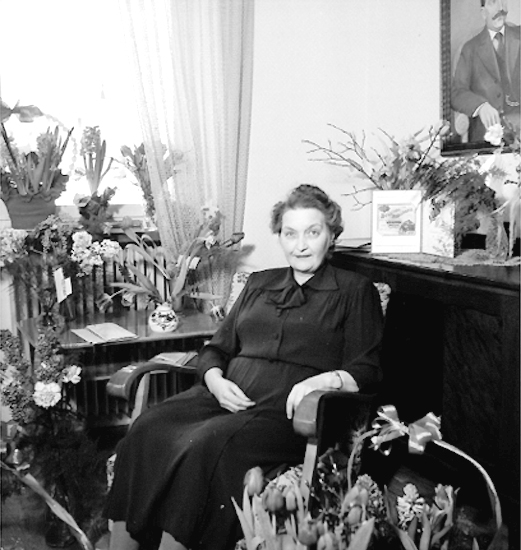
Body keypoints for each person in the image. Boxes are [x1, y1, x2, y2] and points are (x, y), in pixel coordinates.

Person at [105, 184, 384, 550]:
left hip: (284, 414)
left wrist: (322, 381)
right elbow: (217, 348)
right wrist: (215, 381)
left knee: (203, 445)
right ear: (279, 236)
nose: (300, 245)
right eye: (290, 233)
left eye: (312, 233)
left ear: (331, 235)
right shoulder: (259, 283)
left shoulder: (355, 290)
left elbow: (368, 369)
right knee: (147, 428)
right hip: (221, 398)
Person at [451, 0, 520, 143]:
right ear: (483, 13)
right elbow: (457, 93)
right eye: (493, 2)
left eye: (503, 2)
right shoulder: (470, 48)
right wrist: (481, 106)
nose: (500, 8)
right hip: (486, 134)